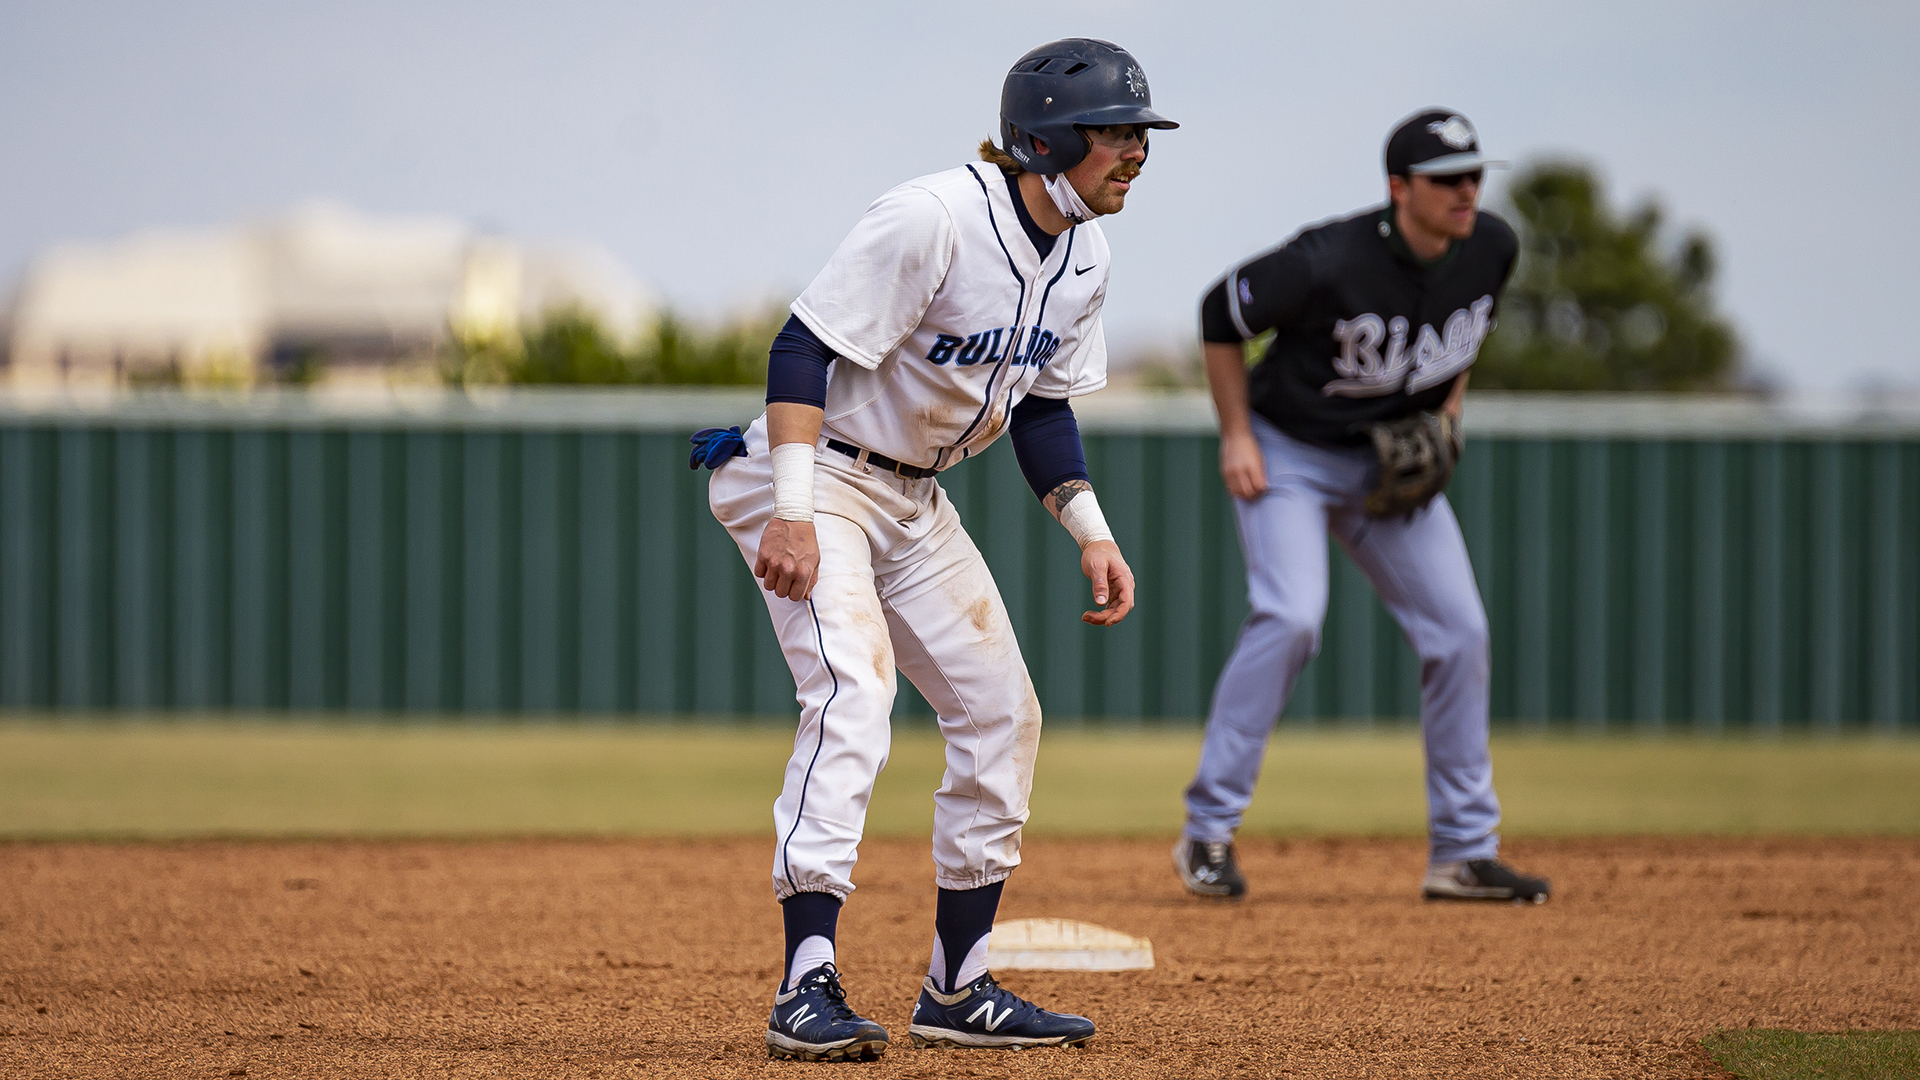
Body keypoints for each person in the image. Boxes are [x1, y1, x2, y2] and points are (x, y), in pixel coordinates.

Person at [695, 38, 1176, 1061]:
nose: (1135, 153)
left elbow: (1044, 412)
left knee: (1002, 712)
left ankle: (957, 987)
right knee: (854, 694)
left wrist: (1091, 532)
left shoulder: (1085, 252)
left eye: (1141, 136)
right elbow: (802, 348)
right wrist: (787, 510)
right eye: (1115, 134)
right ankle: (804, 982)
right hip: (816, 472)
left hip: (915, 499)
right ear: (1045, 139)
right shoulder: (935, 218)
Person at [1173, 109, 1551, 905]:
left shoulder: (1491, 247)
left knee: (1461, 632)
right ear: (1398, 188)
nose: (1467, 191)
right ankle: (1208, 831)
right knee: (1293, 615)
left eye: (1474, 175)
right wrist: (1236, 434)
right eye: (1447, 179)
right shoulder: (1327, 261)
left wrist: (1447, 416)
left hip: (1385, 463)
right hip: (1291, 453)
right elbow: (1218, 313)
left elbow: (1463, 342)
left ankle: (1462, 852)